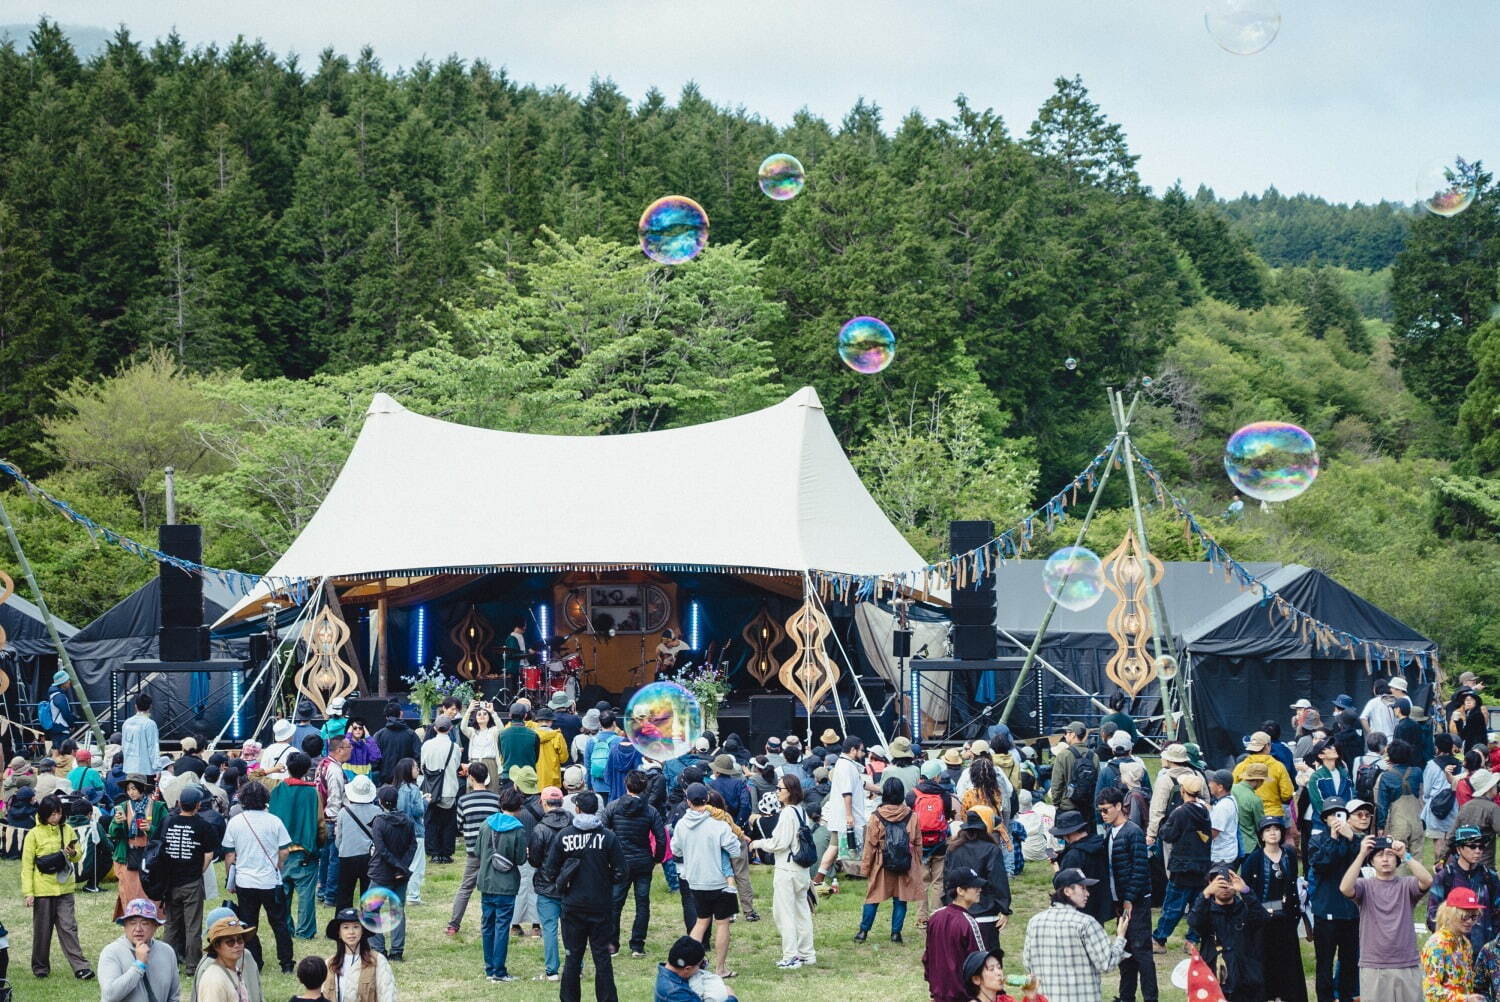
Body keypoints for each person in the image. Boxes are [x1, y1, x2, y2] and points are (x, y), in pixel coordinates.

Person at [544, 790, 626, 1002]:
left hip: (573, 905)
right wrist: (604, 880)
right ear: (597, 809)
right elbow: (621, 871)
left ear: (577, 809)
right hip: (600, 905)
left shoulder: (564, 836)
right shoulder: (608, 837)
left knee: (573, 957)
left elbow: (550, 870)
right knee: (602, 958)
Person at [1337, 833, 1432, 1002]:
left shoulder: (1407, 885)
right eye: (1379, 855)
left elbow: (1427, 880)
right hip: (1374, 964)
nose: (1385, 859)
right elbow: (1345, 888)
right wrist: (1361, 854)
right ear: (1372, 861)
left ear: (1396, 861)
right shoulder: (1364, 886)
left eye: (1390, 855)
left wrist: (1405, 854)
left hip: (1406, 962)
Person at [1022, 868, 1127, 1002]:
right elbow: (1106, 963)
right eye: (1082, 888)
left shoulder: (1034, 922)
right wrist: (1120, 937)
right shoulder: (1086, 923)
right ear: (1067, 891)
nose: (1087, 893)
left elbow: (1028, 963)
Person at [222, 780, 295, 973]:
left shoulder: (236, 822)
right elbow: (285, 850)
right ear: (265, 800)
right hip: (270, 880)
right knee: (279, 922)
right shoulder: (274, 821)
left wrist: (229, 876)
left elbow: (229, 855)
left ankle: (255, 961)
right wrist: (278, 865)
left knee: (248, 923)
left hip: (245, 881)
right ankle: (287, 963)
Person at [1307, 796, 1372, 1002]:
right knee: (1324, 964)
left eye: (1340, 814)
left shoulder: (1356, 840)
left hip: (1351, 911)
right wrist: (1333, 838)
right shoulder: (1317, 839)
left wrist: (1350, 837)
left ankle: (1346, 997)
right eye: (1332, 815)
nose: (1336, 818)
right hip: (1326, 910)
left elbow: (1365, 860)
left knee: (1349, 962)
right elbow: (1320, 865)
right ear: (1325, 818)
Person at [22, 792, 92, 979]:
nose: (56, 817)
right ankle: (40, 968)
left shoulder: (67, 829)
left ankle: (80, 967)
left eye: (58, 813)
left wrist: (73, 852)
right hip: (43, 890)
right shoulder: (33, 835)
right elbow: (27, 866)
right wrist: (28, 892)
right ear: (44, 814)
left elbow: (78, 854)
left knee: (69, 927)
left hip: (64, 888)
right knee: (42, 931)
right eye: (52, 814)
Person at [748, 772, 815, 969]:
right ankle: (806, 953)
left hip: (787, 868)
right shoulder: (801, 811)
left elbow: (779, 843)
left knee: (784, 913)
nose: (776, 792)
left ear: (790, 791)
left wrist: (757, 843)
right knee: (802, 912)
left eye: (780, 789)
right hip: (802, 869)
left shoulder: (787, 813)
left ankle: (791, 956)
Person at [1238, 817, 1307, 1002]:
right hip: (1263, 919)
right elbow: (1248, 891)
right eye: (1268, 830)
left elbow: (1293, 885)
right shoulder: (1253, 859)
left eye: (1276, 829)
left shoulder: (1289, 855)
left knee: (1287, 961)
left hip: (1286, 919)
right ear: (1261, 835)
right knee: (1265, 960)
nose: (1272, 833)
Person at [1098, 786, 1156, 1002]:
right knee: (1125, 952)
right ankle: (1126, 997)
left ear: (1119, 807)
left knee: (1142, 953)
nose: (1103, 815)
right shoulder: (1109, 832)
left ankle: (1150, 998)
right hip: (1119, 901)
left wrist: (1130, 900)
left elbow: (1140, 869)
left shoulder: (1133, 832)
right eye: (1100, 811)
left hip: (1135, 902)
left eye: (1106, 810)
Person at [601, 768, 666, 957]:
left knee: (615, 904)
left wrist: (607, 857)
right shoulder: (650, 810)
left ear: (626, 785)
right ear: (645, 787)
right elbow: (661, 838)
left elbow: (602, 831)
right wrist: (657, 858)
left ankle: (612, 944)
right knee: (642, 904)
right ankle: (637, 945)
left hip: (620, 862)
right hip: (643, 861)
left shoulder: (612, 807)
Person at [856, 775, 923, 943]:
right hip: (905, 862)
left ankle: (863, 932)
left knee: (873, 897)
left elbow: (870, 845)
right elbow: (917, 842)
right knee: (900, 899)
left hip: (881, 862)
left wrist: (865, 868)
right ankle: (895, 933)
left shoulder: (876, 816)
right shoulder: (911, 816)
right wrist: (917, 863)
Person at [1188, 863, 1267, 1002]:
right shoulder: (1206, 911)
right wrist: (1205, 894)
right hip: (1216, 979)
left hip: (1247, 979)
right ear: (1210, 884)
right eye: (1219, 882)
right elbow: (1194, 922)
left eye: (1229, 882)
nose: (1225, 887)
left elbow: (1263, 919)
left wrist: (1246, 891)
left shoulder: (1245, 909)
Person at [1152, 772, 1210, 951]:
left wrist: (1162, 827)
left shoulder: (1180, 812)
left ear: (1183, 790)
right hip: (1202, 865)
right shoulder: (1205, 811)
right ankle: (1192, 941)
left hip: (1182, 865)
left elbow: (1167, 835)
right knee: (1197, 905)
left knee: (1173, 905)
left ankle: (1159, 939)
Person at [267, 750, 321, 940]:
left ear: (288, 768)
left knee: (282, 894)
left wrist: (271, 770)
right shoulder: (311, 792)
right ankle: (305, 931)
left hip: (280, 851)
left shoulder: (276, 788)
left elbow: (253, 776)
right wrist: (319, 842)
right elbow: (320, 822)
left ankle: (285, 928)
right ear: (307, 769)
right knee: (306, 895)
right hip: (304, 851)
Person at [476, 786, 527, 982]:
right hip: (506, 884)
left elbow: (478, 852)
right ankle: (499, 970)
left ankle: (490, 967)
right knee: (501, 926)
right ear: (519, 807)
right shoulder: (518, 829)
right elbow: (521, 858)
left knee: (487, 925)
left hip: (486, 881)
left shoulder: (486, 824)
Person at [161, 785, 215, 970]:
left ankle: (166, 963)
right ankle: (192, 965)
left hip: (169, 881)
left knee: (171, 925)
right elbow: (208, 855)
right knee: (193, 925)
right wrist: (198, 871)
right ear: (198, 805)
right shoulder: (203, 826)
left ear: (179, 803)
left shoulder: (168, 822)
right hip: (191, 882)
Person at [445, 760, 502, 937]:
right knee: (495, 888)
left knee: (465, 888)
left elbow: (460, 825)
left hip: (473, 851)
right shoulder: (496, 799)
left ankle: (454, 925)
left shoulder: (464, 800)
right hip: (494, 851)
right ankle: (496, 924)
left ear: (470, 778)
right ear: (487, 778)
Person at [942, 810, 1012, 950]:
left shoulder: (953, 849)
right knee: (986, 963)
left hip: (958, 914)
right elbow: (998, 880)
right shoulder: (992, 850)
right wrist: (1004, 909)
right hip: (985, 914)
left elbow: (947, 881)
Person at [1429, 826, 1500, 953]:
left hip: (1485, 954)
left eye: (1481, 846)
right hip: (1453, 952)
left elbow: (1498, 913)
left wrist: (1492, 944)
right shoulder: (1445, 877)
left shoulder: (1490, 877)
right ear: (1459, 848)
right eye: (1472, 846)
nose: (1478, 850)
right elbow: (1433, 917)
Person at [366, 784, 416, 961]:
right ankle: (397, 950)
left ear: (380, 802)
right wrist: (402, 867)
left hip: (381, 872)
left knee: (371, 910)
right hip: (400, 874)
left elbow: (381, 849)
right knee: (397, 910)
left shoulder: (379, 821)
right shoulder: (408, 820)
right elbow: (413, 846)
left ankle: (379, 948)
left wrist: (396, 866)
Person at [108, 773, 167, 920]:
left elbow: (166, 833)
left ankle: (152, 921)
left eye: (134, 788)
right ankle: (132, 922)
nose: (131, 792)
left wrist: (150, 829)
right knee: (130, 892)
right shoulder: (122, 807)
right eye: (128, 789)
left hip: (150, 857)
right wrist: (117, 822)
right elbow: (113, 833)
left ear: (142, 789)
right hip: (129, 855)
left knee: (151, 892)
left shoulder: (158, 807)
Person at [923, 868, 987, 1002]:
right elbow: (981, 964)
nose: (979, 889)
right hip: (963, 996)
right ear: (960, 891)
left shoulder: (935, 917)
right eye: (974, 887)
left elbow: (927, 957)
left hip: (939, 995)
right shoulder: (968, 923)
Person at [99, 898, 180, 1002]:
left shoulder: (167, 952)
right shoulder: (111, 952)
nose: (138, 929)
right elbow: (109, 995)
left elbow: (174, 996)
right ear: (125, 926)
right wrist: (138, 966)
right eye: (132, 923)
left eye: (145, 923)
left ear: (155, 926)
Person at [529, 785, 571, 982]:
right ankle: (575, 967)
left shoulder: (540, 829)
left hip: (547, 885)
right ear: (561, 802)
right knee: (572, 928)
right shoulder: (573, 824)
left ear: (543, 803)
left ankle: (552, 970)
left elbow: (535, 860)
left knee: (549, 929)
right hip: (572, 884)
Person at [910, 758, 958, 929]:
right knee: (938, 881)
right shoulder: (944, 796)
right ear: (937, 777)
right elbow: (946, 817)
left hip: (919, 845)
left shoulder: (912, 795)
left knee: (922, 882)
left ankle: (921, 918)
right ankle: (936, 916)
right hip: (940, 844)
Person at [814, 737, 868, 884]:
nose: (863, 754)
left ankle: (819, 878)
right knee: (835, 847)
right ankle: (819, 878)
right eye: (861, 750)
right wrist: (849, 815)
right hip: (845, 816)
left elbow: (859, 783)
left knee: (834, 848)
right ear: (853, 750)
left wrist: (877, 789)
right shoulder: (845, 766)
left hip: (843, 816)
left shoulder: (846, 765)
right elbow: (847, 792)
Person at [1423, 886, 1484, 1002]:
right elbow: (1430, 991)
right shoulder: (1437, 944)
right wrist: (1464, 999)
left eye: (1473, 916)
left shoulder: (1465, 943)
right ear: (1450, 914)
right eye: (1464, 916)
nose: (1470, 921)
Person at [1052, 810, 1112, 926]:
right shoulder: (1099, 845)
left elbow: (1062, 885)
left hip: (1079, 909)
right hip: (1099, 905)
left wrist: (1056, 868)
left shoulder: (1073, 855)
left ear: (1070, 833)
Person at [322, 908, 396, 1002]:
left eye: (356, 927)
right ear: (339, 933)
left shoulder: (378, 961)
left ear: (363, 930)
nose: (351, 932)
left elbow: (387, 996)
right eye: (346, 927)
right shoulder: (329, 964)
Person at [334, 775, 381, 909]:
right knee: (368, 894)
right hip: (369, 856)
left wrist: (342, 848)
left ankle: (342, 923)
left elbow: (339, 838)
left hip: (347, 855)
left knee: (345, 893)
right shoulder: (378, 811)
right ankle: (368, 925)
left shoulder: (344, 812)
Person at [420, 716, 462, 863]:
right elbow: (457, 765)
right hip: (449, 788)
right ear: (450, 728)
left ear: (435, 728)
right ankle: (446, 852)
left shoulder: (426, 745)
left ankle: (434, 852)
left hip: (431, 789)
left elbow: (422, 766)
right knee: (449, 823)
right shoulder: (454, 747)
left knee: (431, 821)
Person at [1234, 731, 1295, 820]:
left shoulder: (1240, 767)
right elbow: (1287, 793)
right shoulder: (1278, 766)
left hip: (1249, 816)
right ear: (1267, 746)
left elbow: (1233, 791)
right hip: (1274, 814)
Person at [196, 917, 259, 1002]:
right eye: (230, 942)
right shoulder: (214, 980)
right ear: (217, 946)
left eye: (240, 940)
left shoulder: (235, 970)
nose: (237, 945)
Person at [1048, 722, 1098, 821]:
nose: (1065, 735)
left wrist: (1057, 803)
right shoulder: (1094, 756)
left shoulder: (1063, 755)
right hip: (1087, 807)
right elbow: (1097, 782)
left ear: (1073, 734)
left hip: (1067, 807)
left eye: (1067, 733)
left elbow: (1056, 784)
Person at [1459, 769, 1500, 868]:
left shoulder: (1465, 807)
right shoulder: (1492, 808)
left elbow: (1452, 835)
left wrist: (1442, 858)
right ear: (1489, 788)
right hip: (1485, 864)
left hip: (1466, 862)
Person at [372, 703, 420, 787]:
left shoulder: (379, 735)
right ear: (401, 713)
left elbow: (375, 759)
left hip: (386, 781)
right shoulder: (411, 734)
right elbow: (418, 756)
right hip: (407, 780)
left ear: (386, 717)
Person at [462, 701, 502, 792]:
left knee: (491, 790)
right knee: (473, 791)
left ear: (489, 717)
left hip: (490, 763)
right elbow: (463, 727)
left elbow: (501, 729)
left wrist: (492, 712)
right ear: (475, 718)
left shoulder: (493, 731)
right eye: (479, 714)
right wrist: (469, 711)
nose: (482, 716)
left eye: (485, 714)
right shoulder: (472, 731)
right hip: (474, 763)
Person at [1206, 770, 1241, 866]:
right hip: (1228, 853)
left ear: (1220, 787)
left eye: (1212, 783)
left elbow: (1213, 834)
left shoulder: (1222, 807)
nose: (1209, 785)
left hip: (1221, 857)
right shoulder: (1230, 800)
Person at [121, 695, 161, 779]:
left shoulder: (126, 723)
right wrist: (158, 769)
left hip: (129, 768)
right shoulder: (150, 724)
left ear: (135, 706)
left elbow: (123, 746)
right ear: (150, 706)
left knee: (131, 791)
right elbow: (153, 747)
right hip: (145, 770)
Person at [533, 706, 569, 792]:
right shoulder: (557, 736)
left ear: (538, 721)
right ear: (551, 722)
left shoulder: (531, 736)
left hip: (535, 780)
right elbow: (564, 759)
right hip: (553, 781)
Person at [500, 701, 540, 773]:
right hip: (528, 776)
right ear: (525, 716)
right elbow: (536, 758)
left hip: (508, 774)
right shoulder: (534, 735)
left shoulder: (502, 734)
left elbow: (502, 754)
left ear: (509, 715)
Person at [40, 669, 74, 751]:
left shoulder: (53, 695)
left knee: (57, 751)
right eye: (67, 680)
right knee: (63, 753)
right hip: (61, 728)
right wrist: (72, 724)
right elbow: (66, 713)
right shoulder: (60, 697)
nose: (69, 682)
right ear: (63, 683)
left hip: (55, 727)